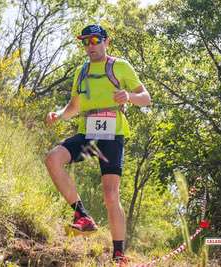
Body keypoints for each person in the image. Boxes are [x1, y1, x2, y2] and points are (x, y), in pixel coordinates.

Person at [44, 24, 151, 265]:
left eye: (95, 40)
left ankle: (119, 255)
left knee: (110, 195)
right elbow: (74, 107)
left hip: (112, 135)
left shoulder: (119, 66)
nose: (91, 45)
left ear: (106, 41)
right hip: (88, 135)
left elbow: (146, 98)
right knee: (53, 158)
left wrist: (130, 97)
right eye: (86, 41)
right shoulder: (81, 71)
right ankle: (82, 216)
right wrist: (58, 115)